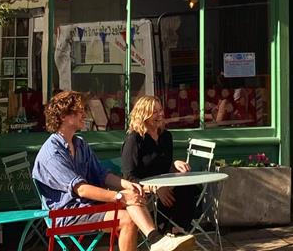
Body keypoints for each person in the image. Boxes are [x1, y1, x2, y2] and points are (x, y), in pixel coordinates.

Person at [32, 90, 195, 251]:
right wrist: (119, 196)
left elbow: (103, 175)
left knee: (132, 195)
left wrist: (128, 186)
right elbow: (81, 189)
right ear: (63, 117)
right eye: (80, 111)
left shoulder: (79, 143)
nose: (85, 114)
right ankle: (156, 241)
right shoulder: (52, 154)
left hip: (86, 207)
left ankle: (156, 240)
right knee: (126, 219)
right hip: (66, 215)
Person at [122, 95, 199, 234]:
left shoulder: (166, 137)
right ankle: (167, 229)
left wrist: (174, 164)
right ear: (143, 114)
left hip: (166, 187)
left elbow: (164, 164)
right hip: (145, 193)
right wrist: (154, 188)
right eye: (155, 112)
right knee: (182, 195)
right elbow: (128, 177)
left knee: (190, 188)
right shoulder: (134, 140)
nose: (161, 114)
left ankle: (175, 229)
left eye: (161, 110)